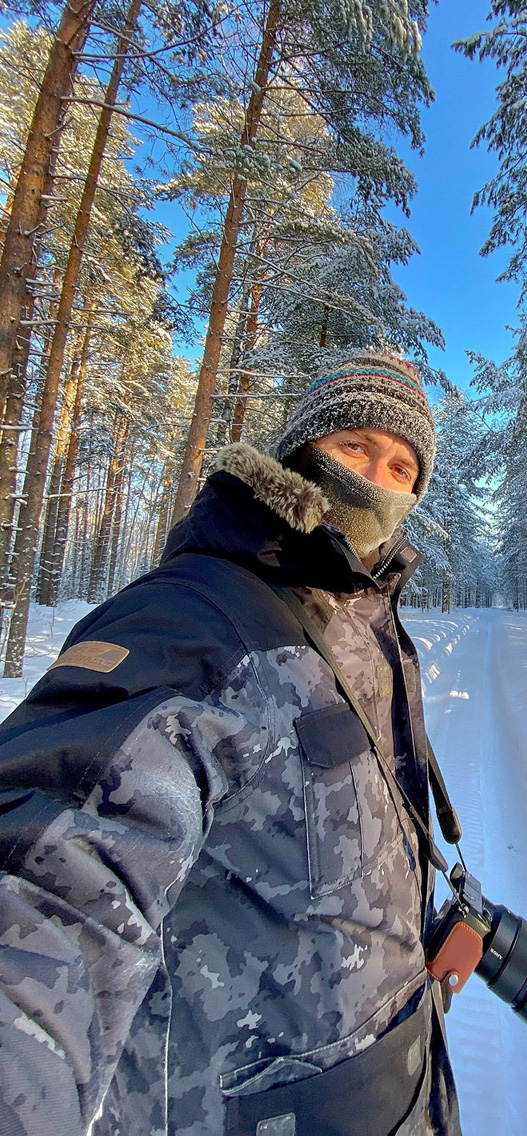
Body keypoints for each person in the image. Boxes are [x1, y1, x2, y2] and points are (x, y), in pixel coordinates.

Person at [0, 351, 461, 1136]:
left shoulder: (364, 617)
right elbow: (52, 877)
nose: (376, 481)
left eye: (400, 465)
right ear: (300, 450)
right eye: (354, 447)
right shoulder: (194, 619)